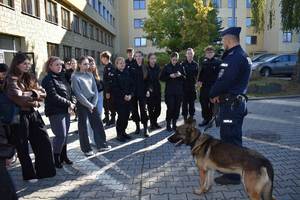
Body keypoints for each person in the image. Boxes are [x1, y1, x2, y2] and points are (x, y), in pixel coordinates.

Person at [209, 27, 251, 185]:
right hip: (234, 104)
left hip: (232, 106)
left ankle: (233, 176)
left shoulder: (234, 57)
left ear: (229, 39)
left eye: (223, 39)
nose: (222, 42)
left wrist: (212, 94)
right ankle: (230, 168)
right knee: (230, 138)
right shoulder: (242, 55)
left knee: (230, 141)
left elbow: (224, 81)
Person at [5, 53, 56, 182]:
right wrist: (34, 95)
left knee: (43, 140)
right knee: (22, 146)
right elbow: (18, 97)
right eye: (24, 64)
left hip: (33, 113)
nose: (27, 66)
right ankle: (29, 175)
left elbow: (43, 93)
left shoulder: (31, 77)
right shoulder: (11, 78)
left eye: (29, 63)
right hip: (19, 116)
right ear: (17, 64)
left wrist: (32, 94)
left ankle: (45, 171)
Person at [71, 56, 111, 156]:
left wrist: (92, 105)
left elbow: (95, 91)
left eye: (88, 64)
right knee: (83, 126)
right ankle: (86, 149)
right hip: (82, 103)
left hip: (92, 103)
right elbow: (78, 94)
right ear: (79, 65)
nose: (87, 66)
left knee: (98, 123)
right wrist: (89, 105)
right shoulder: (75, 76)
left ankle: (102, 145)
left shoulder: (90, 74)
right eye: (84, 64)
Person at [41, 57, 75, 168]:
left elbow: (71, 91)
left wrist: (72, 103)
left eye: (60, 64)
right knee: (61, 135)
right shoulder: (47, 79)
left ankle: (63, 156)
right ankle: (55, 158)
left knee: (65, 136)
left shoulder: (63, 76)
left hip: (66, 110)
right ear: (50, 66)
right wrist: (69, 103)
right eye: (56, 65)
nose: (59, 66)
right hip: (55, 111)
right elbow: (53, 96)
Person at [160, 52, 185, 132]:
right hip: (169, 92)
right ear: (170, 59)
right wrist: (169, 76)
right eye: (173, 60)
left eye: (176, 60)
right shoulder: (167, 67)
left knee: (177, 108)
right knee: (170, 108)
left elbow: (185, 78)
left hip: (178, 92)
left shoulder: (180, 66)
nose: (174, 61)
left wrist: (180, 75)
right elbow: (161, 78)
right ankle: (168, 124)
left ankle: (174, 124)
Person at [111, 57, 134, 142]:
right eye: (120, 63)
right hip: (119, 100)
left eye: (123, 63)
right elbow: (115, 88)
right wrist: (124, 96)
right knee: (121, 117)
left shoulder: (127, 73)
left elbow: (132, 85)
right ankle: (119, 134)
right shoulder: (114, 74)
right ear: (116, 64)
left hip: (128, 99)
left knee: (127, 116)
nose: (122, 64)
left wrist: (131, 95)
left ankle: (123, 132)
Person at [198, 46, 221, 126]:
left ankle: (211, 119)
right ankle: (205, 119)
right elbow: (201, 74)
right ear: (205, 54)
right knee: (203, 103)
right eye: (208, 52)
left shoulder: (218, 62)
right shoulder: (204, 62)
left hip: (213, 87)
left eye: (211, 52)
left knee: (212, 104)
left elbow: (220, 76)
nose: (209, 54)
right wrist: (199, 81)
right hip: (204, 87)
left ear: (213, 53)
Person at [130, 51, 149, 137]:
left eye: (139, 56)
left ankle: (145, 129)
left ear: (142, 57)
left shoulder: (145, 67)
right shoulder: (131, 67)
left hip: (143, 92)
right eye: (136, 56)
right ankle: (137, 127)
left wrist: (148, 90)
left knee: (144, 110)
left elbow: (149, 80)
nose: (138, 58)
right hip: (133, 93)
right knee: (134, 110)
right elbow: (129, 80)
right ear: (134, 58)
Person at [181, 48, 199, 121]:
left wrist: (197, 84)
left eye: (191, 53)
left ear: (193, 54)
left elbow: (198, 76)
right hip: (184, 87)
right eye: (188, 53)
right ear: (186, 55)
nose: (190, 55)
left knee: (192, 103)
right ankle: (185, 118)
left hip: (192, 87)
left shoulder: (196, 64)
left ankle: (191, 117)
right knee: (184, 104)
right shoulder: (182, 64)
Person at [146, 53, 161, 130]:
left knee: (158, 109)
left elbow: (159, 78)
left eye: (154, 58)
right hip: (150, 91)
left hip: (157, 90)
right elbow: (145, 80)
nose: (153, 60)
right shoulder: (146, 68)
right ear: (149, 59)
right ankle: (152, 123)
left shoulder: (157, 67)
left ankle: (154, 121)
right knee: (150, 108)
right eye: (151, 58)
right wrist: (148, 89)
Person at [100, 51, 116, 126]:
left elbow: (110, 81)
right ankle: (107, 118)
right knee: (105, 105)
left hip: (110, 91)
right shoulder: (106, 67)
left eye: (102, 58)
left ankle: (112, 119)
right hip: (106, 90)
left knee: (110, 105)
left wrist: (108, 92)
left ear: (105, 58)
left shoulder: (111, 67)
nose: (101, 60)